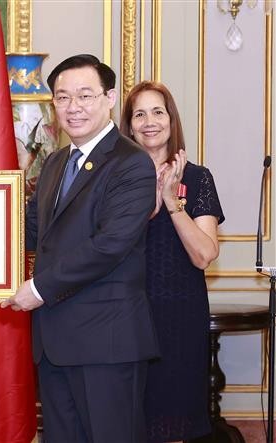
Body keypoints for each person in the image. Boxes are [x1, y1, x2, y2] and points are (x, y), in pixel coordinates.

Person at [2, 54, 159, 443]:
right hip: (56, 343)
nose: (73, 107)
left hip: (105, 344)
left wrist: (38, 289)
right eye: (62, 97)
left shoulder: (131, 163)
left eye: (85, 95)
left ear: (109, 98)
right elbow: (28, 229)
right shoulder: (56, 163)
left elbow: (109, 245)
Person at [119, 81, 224, 442]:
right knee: (124, 421)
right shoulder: (115, 181)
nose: (150, 121)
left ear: (171, 119)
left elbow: (204, 255)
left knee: (173, 424)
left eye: (157, 111)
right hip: (124, 316)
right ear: (129, 125)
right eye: (139, 114)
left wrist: (171, 200)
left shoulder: (197, 178)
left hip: (179, 318)